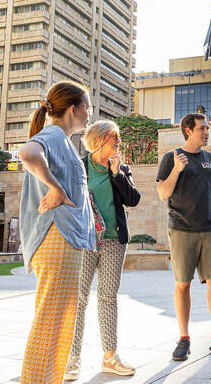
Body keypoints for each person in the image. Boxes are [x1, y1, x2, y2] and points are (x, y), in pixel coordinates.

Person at [18, 80, 95, 384]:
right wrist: (55, 187)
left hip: (64, 239)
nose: (89, 114)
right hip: (57, 239)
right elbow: (26, 152)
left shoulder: (62, 140)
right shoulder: (52, 134)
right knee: (52, 322)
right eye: (86, 107)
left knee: (60, 323)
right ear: (73, 108)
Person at [156, 113, 211, 362]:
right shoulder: (171, 157)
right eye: (202, 128)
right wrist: (177, 169)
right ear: (188, 131)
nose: (207, 132)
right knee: (183, 283)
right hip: (182, 229)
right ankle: (184, 338)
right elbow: (163, 193)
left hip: (209, 228)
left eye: (208, 128)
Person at [64, 121, 141, 380]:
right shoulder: (80, 167)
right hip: (84, 242)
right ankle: (71, 358)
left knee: (108, 298)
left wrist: (118, 174)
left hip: (113, 241)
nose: (118, 144)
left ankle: (110, 356)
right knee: (79, 299)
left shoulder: (120, 168)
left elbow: (133, 199)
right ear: (99, 141)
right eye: (114, 140)